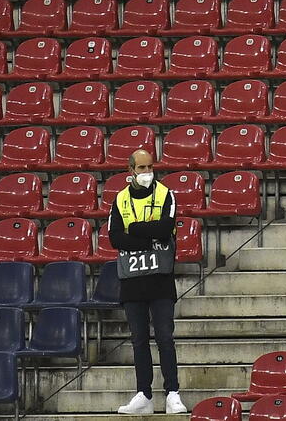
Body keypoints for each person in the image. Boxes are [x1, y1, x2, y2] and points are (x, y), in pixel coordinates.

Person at [109, 149, 188, 415]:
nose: (146, 172)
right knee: (139, 340)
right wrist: (148, 238)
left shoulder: (166, 194)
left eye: (150, 167)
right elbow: (115, 238)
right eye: (141, 168)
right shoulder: (120, 199)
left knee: (165, 337)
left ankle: (172, 393)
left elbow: (165, 229)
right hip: (132, 279)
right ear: (130, 170)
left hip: (160, 279)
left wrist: (134, 229)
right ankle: (144, 394)